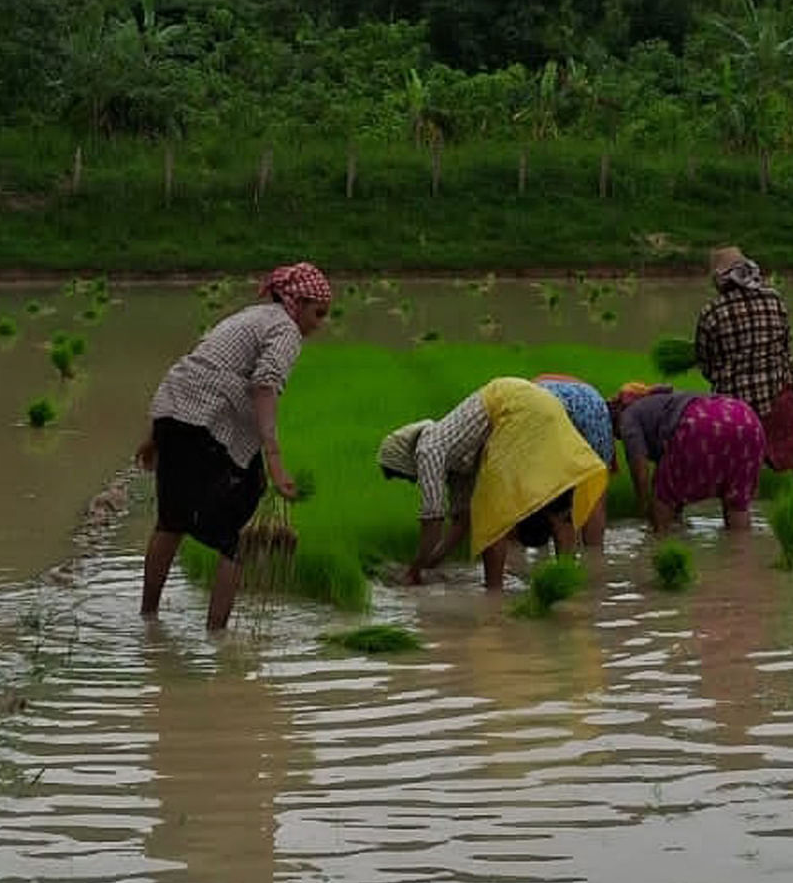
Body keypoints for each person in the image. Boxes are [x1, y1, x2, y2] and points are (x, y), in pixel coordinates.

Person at [137, 262, 331, 630]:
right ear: (298, 303)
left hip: (173, 409)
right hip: (206, 423)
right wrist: (275, 459)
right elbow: (264, 384)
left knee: (171, 521)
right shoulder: (285, 329)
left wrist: (153, 436)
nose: (319, 324)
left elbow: (196, 364)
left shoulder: (251, 316)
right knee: (236, 537)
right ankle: (217, 638)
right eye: (318, 313)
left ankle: (148, 622)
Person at [376, 376, 607, 590]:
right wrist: (430, 565)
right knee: (557, 501)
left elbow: (433, 518)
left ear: (406, 460)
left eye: (404, 475)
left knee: (490, 513)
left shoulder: (428, 450)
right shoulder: (456, 454)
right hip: (546, 405)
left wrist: (414, 570)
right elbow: (462, 521)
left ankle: (494, 596)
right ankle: (565, 584)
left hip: (519, 410)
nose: (411, 481)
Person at [694, 245, 793, 520]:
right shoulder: (774, 300)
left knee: (737, 471)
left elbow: (706, 363)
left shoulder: (712, 312)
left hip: (735, 408)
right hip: (781, 395)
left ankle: (738, 537)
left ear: (720, 279)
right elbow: (786, 346)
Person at [609, 382, 766, 532]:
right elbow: (667, 462)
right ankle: (741, 555)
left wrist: (644, 504)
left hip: (698, 426)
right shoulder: (665, 400)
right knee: (737, 504)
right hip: (747, 420)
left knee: (662, 499)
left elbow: (638, 464)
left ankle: (660, 548)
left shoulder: (628, 415)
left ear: (618, 410)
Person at [531, 373, 617, 548]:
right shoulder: (558, 384)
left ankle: (559, 555)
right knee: (596, 495)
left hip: (549, 408)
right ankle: (596, 556)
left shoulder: (526, 394)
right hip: (593, 404)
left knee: (555, 493)